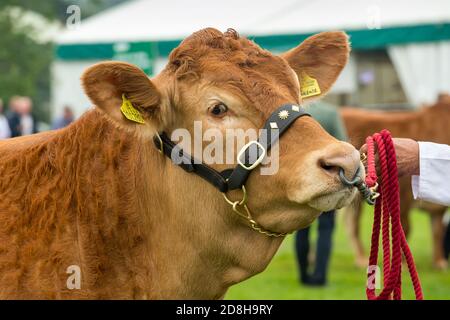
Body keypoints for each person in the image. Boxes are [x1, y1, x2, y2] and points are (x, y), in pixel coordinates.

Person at [295, 101, 348, 286]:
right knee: (326, 229)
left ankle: (303, 276)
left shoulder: (296, 112)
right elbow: (344, 145)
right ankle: (320, 276)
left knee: (301, 230)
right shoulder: (331, 113)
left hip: (302, 181)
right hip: (328, 183)